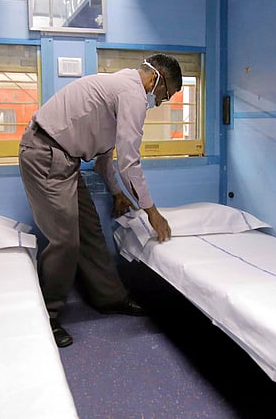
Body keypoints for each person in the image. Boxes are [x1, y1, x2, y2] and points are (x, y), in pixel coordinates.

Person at [18, 53, 182, 348]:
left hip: (65, 160)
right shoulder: (131, 92)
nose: (164, 100)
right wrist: (152, 212)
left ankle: (109, 298)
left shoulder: (118, 92)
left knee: (90, 231)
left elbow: (105, 158)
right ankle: (47, 314)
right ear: (157, 79)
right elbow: (130, 161)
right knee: (65, 240)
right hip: (44, 153)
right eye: (167, 93)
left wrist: (118, 193)